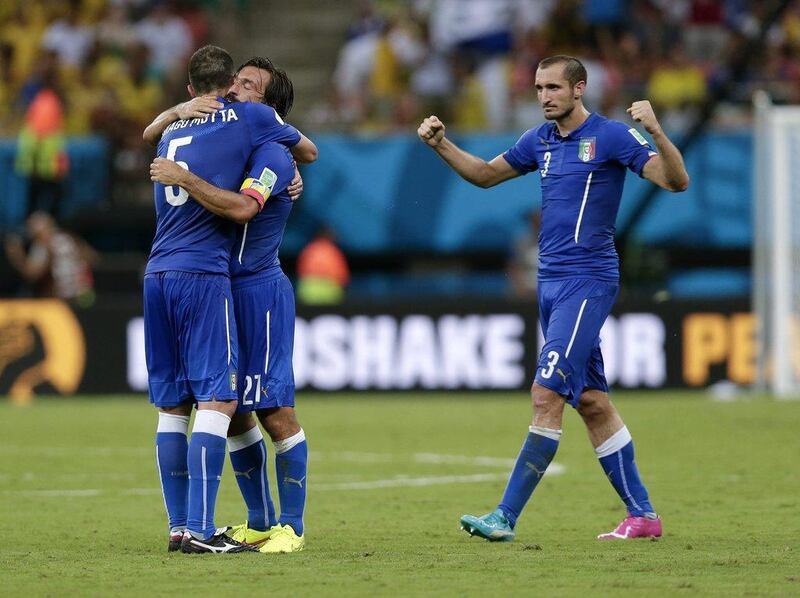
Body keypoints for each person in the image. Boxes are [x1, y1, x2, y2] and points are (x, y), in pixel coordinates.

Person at [417, 55, 689, 542]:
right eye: (539, 88)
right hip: (550, 284)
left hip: (589, 281)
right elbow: (483, 175)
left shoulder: (611, 136)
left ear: (579, 89)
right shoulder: (537, 141)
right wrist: (441, 145)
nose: (543, 96)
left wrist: (658, 132)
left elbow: (675, 181)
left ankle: (505, 516)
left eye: (553, 88)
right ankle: (643, 516)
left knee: (547, 395)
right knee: (591, 401)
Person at [144, 44, 316, 554]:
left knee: (273, 410)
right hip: (215, 284)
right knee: (235, 410)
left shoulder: (269, 151)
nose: (234, 90)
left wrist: (186, 176)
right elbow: (157, 136)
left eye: (247, 87)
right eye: (235, 81)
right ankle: (258, 520)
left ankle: (292, 526)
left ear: (267, 109)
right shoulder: (228, 134)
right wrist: (174, 113)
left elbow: (246, 203)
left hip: (256, 290)